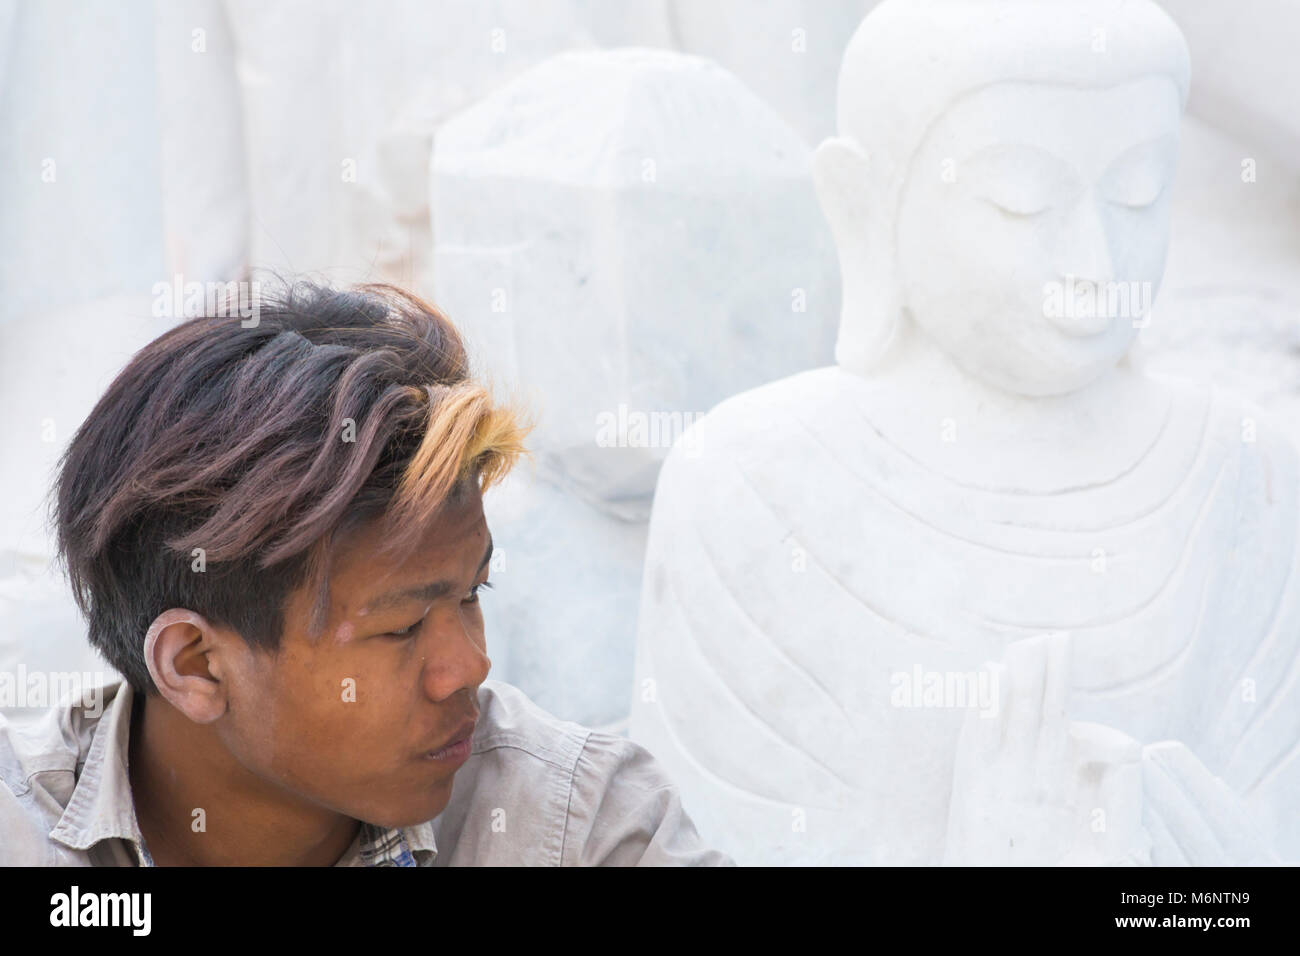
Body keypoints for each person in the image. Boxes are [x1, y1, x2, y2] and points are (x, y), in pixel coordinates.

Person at [0, 280, 732, 866]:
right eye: (402, 626)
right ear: (196, 665)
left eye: (473, 592)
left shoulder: (573, 828)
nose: (470, 666)